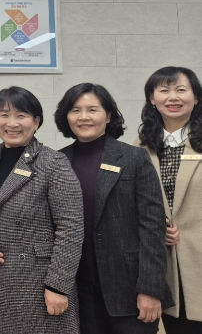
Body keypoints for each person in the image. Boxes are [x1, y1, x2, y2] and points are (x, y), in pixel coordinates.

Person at [54, 83, 172, 334]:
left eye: (92, 110)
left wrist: (150, 289)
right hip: (76, 291)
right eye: (75, 110)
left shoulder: (134, 158)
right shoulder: (57, 162)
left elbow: (152, 227)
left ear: (108, 116)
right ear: (66, 117)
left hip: (130, 291)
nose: (83, 117)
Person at [0, 86, 83, 334]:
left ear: (36, 122)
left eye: (21, 115)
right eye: (4, 115)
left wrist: (58, 286)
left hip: (38, 284)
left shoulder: (53, 162)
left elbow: (71, 228)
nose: (12, 123)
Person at [138, 66, 202, 333]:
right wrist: (156, 228)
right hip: (163, 264)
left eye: (181, 90)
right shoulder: (140, 147)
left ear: (195, 97)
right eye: (164, 90)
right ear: (152, 99)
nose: (172, 97)